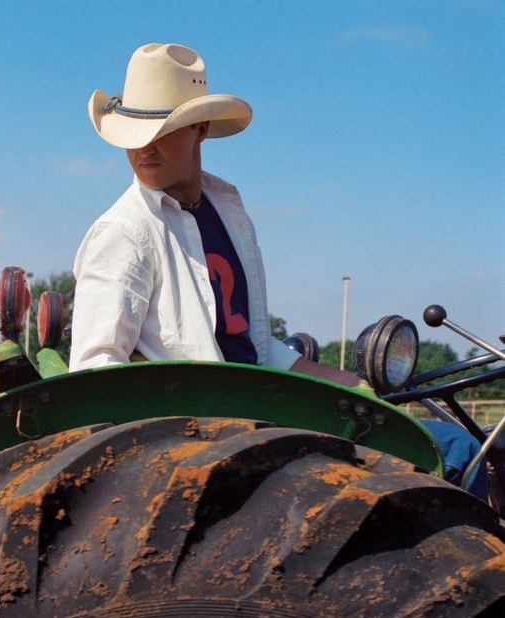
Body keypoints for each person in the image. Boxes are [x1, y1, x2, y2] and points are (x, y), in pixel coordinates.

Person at [69, 42, 487, 500]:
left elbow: (255, 347)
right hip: (208, 437)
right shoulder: (124, 231)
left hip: (263, 410)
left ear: (200, 128)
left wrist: (353, 384)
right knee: (454, 449)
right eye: (134, 132)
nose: (142, 148)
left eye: (162, 131)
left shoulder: (225, 212)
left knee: (450, 439)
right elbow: (96, 373)